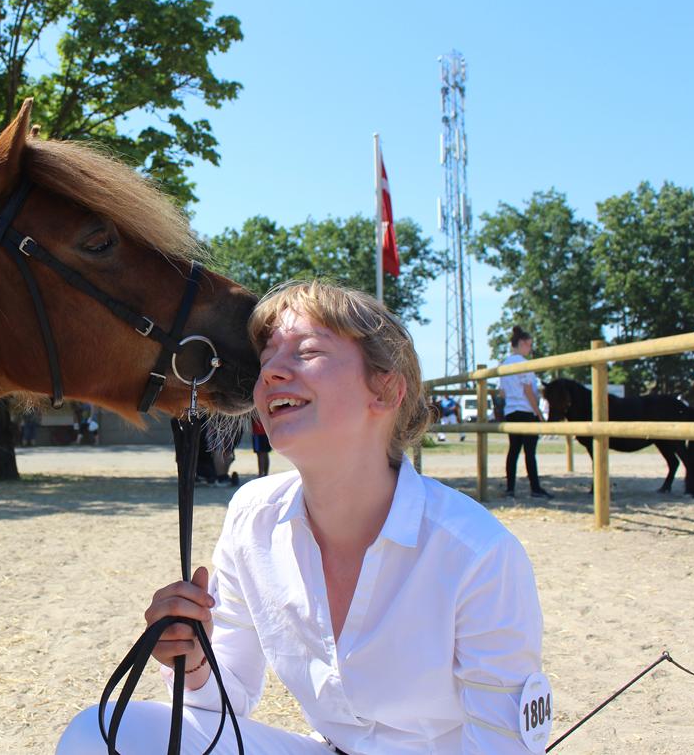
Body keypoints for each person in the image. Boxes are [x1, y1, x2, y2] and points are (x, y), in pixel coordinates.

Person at [57, 281, 546, 754]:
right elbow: (224, 705)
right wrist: (193, 657)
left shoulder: (478, 555)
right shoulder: (252, 517)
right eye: (267, 358)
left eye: (307, 352)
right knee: (100, 734)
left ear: (385, 390)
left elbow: (502, 744)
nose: (271, 372)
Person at [500, 326, 550, 499]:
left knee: (513, 450)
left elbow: (502, 392)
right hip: (526, 411)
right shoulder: (524, 363)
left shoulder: (504, 364)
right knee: (530, 452)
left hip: (511, 411)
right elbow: (528, 390)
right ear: (521, 343)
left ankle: (510, 488)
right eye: (529, 345)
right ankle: (535, 488)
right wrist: (539, 412)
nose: (530, 349)